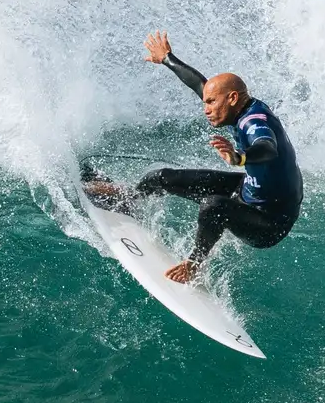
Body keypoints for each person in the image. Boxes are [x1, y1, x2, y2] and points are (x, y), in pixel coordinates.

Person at [84, 31, 302, 283]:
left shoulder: (254, 122)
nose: (205, 109)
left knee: (214, 205)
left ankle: (194, 264)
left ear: (232, 99)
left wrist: (239, 157)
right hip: (249, 190)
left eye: (211, 102)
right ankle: (133, 198)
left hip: (270, 220)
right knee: (162, 177)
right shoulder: (235, 107)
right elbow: (200, 84)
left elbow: (267, 147)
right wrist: (167, 58)